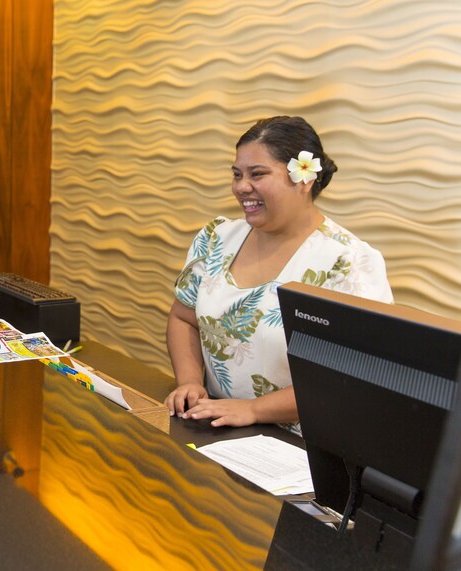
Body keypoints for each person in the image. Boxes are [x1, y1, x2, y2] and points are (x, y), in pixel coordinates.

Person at [164, 115, 393, 431]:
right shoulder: (216, 238)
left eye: (257, 174)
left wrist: (255, 410)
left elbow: (356, 374)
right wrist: (189, 382)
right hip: (217, 427)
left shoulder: (349, 261)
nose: (242, 187)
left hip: (303, 449)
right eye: (237, 174)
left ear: (304, 177)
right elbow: (183, 318)